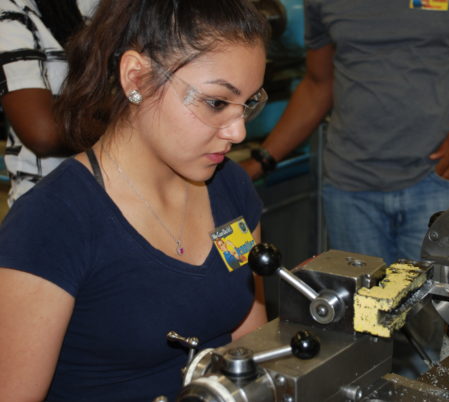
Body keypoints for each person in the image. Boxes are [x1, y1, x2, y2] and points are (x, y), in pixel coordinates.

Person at [0, 0, 271, 400]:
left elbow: (254, 342)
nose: (237, 132)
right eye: (216, 103)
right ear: (136, 78)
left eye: (248, 104)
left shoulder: (230, 188)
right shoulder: (52, 223)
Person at [241, 0, 449, 376]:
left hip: (438, 181)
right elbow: (317, 83)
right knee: (362, 333)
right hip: (350, 191)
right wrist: (261, 161)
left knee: (439, 336)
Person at [0, 0, 98, 206]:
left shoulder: (97, 7)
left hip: (113, 198)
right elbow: (43, 132)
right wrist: (126, 124)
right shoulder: (10, 8)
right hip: (48, 204)